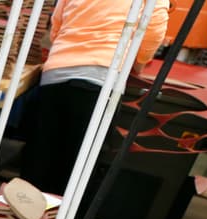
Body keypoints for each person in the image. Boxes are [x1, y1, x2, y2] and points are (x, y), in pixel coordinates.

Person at [21, 0, 171, 195]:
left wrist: (68, 48)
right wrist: (139, 62)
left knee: (40, 157)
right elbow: (154, 29)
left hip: (56, 72)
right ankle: (59, 214)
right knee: (76, 170)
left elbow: (57, 21)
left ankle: (22, 211)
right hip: (102, 76)